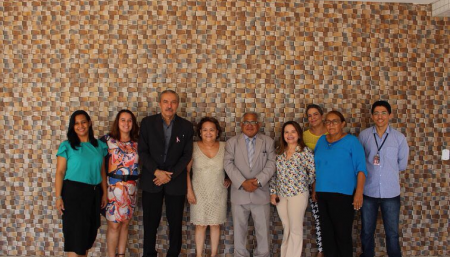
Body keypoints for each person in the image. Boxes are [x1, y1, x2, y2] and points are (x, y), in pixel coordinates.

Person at [138, 90, 194, 257]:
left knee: (176, 223)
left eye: (173, 102)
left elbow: (187, 155)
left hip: (175, 182)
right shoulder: (147, 123)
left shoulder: (186, 126)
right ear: (160, 103)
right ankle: (149, 254)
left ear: (177, 104)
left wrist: (169, 175)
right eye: (165, 102)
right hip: (152, 180)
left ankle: (173, 254)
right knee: (150, 223)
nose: (169, 106)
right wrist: (157, 172)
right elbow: (142, 151)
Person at [358, 101, 409, 257]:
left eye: (384, 113)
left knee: (392, 233)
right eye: (377, 113)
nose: (380, 116)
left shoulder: (399, 138)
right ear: (372, 116)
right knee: (366, 231)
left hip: (391, 194)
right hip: (368, 192)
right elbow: (360, 163)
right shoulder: (364, 135)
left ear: (390, 115)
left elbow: (402, 164)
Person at [55, 110, 108, 257]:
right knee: (75, 240)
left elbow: (102, 171)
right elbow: (60, 172)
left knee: (86, 239)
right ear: (73, 126)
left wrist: (105, 193)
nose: (80, 126)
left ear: (89, 123)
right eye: (76, 123)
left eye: (83, 122)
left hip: (93, 194)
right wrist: (58, 196)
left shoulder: (99, 145)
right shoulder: (67, 146)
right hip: (73, 195)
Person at [314, 110, 367, 257]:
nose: (331, 125)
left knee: (342, 235)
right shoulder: (321, 141)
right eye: (328, 122)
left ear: (342, 124)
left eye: (335, 121)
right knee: (327, 235)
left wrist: (359, 192)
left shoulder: (352, 142)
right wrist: (314, 189)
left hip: (343, 195)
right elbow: (317, 167)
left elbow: (361, 169)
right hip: (322, 193)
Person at [223, 112, 276, 257]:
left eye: (253, 122)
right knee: (239, 232)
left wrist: (258, 181)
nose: (249, 125)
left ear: (258, 125)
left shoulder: (268, 141)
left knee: (263, 232)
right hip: (239, 194)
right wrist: (242, 182)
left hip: (261, 194)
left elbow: (272, 164)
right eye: (246, 122)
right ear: (241, 125)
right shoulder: (232, 142)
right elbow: (227, 163)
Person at [186, 117, 231, 257]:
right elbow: (186, 171)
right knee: (200, 225)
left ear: (217, 132)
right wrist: (189, 191)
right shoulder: (193, 147)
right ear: (200, 132)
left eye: (212, 129)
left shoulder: (225, 146)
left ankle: (214, 254)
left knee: (215, 224)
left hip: (218, 191)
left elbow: (233, 166)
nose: (208, 133)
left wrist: (229, 178)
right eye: (205, 130)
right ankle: (199, 255)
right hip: (199, 191)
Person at [270, 121, 315, 257]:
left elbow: (313, 173)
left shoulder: (305, 152)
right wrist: (273, 193)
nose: (290, 135)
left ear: (299, 134)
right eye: (286, 132)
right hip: (281, 196)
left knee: (295, 229)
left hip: (298, 195)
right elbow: (274, 174)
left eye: (293, 131)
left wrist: (302, 184)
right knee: (287, 228)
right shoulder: (279, 152)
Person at [101, 110, 140, 257]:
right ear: (118, 122)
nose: (126, 123)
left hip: (131, 188)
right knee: (114, 225)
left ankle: (121, 255)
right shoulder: (107, 141)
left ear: (133, 124)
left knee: (125, 224)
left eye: (129, 120)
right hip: (112, 188)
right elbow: (99, 165)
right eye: (123, 120)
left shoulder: (137, 143)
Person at [303, 104, 327, 257]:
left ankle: (327, 249)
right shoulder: (304, 135)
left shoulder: (330, 133)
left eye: (315, 114)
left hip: (329, 181)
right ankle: (321, 250)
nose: (312, 118)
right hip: (310, 183)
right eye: (309, 115)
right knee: (318, 218)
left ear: (322, 116)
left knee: (330, 218)